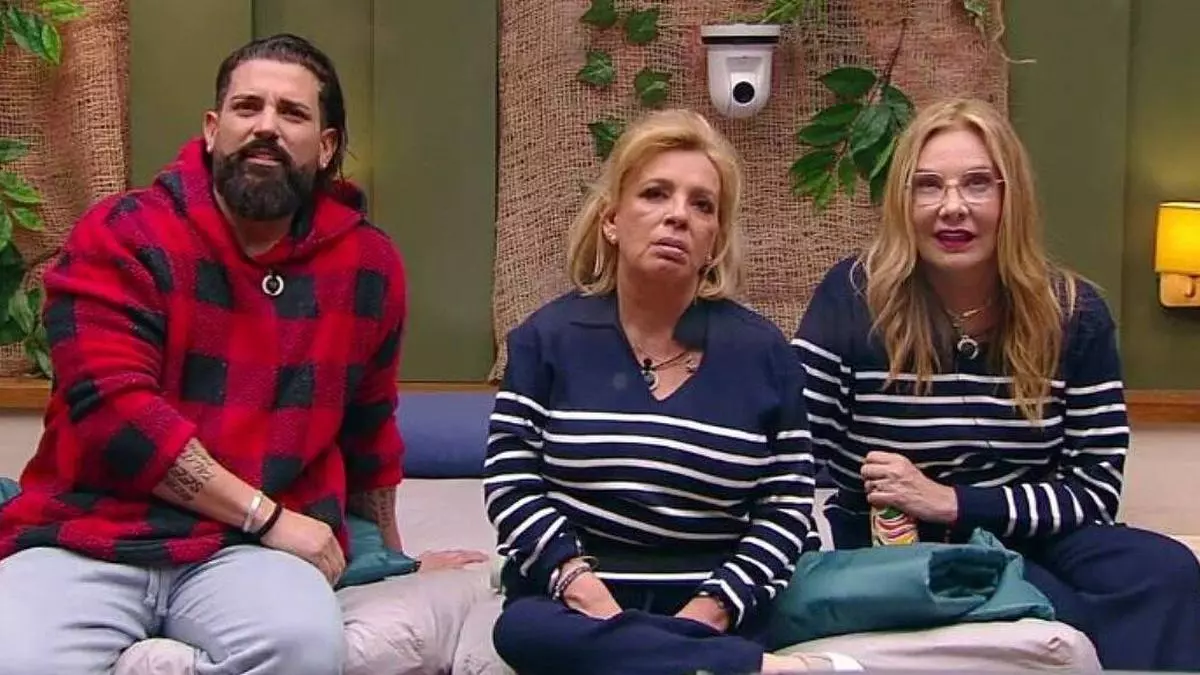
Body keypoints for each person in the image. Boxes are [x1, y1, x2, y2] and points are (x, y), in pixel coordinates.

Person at [0, 33, 485, 674]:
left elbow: (368, 432)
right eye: (247, 107)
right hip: (91, 537)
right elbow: (118, 416)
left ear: (327, 147)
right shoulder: (124, 233)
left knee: (303, 645)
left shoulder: (368, 265)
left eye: (292, 113)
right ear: (212, 129)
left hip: (243, 557)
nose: (266, 127)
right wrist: (267, 516)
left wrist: (392, 557)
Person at [793, 96, 1200, 671]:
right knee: (1050, 605)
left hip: (1031, 528)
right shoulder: (855, 295)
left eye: (978, 184)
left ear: (1013, 198)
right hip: (898, 542)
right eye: (928, 186)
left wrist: (953, 501)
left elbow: (1094, 490)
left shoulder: (1075, 313)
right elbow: (795, 446)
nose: (952, 208)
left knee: (1166, 571)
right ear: (903, 201)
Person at [483, 109, 862, 675]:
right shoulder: (545, 339)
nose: (678, 216)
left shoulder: (765, 354)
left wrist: (708, 613)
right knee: (521, 631)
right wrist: (587, 594)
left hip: (718, 601)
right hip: (574, 600)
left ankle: (687, 656)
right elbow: (512, 484)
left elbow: (786, 508)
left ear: (715, 241)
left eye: (702, 205)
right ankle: (755, 669)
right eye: (655, 194)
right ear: (612, 220)